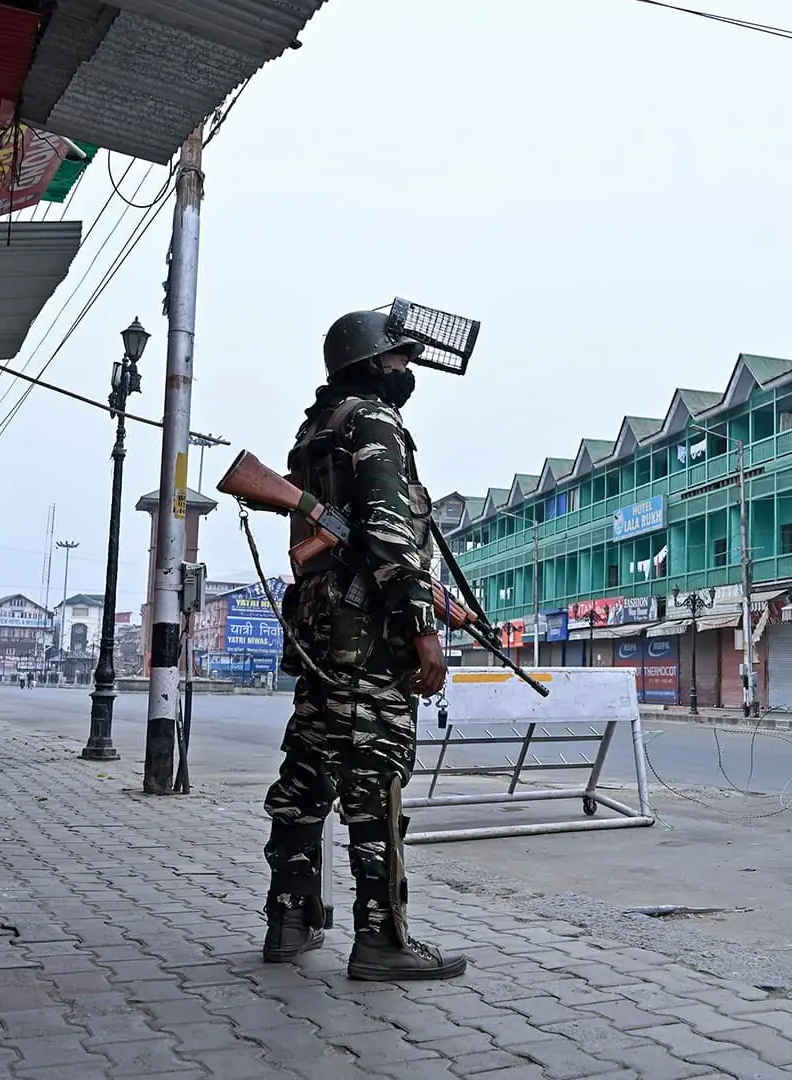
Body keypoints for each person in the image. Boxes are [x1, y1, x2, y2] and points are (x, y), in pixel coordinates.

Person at [261, 309, 468, 982]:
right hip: (368, 635)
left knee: (306, 775)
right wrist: (422, 627)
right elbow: (386, 533)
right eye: (401, 360)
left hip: (322, 632)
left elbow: (331, 541)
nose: (408, 371)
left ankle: (289, 922)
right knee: (374, 782)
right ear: (375, 362)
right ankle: (380, 939)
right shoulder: (374, 420)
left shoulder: (314, 432)